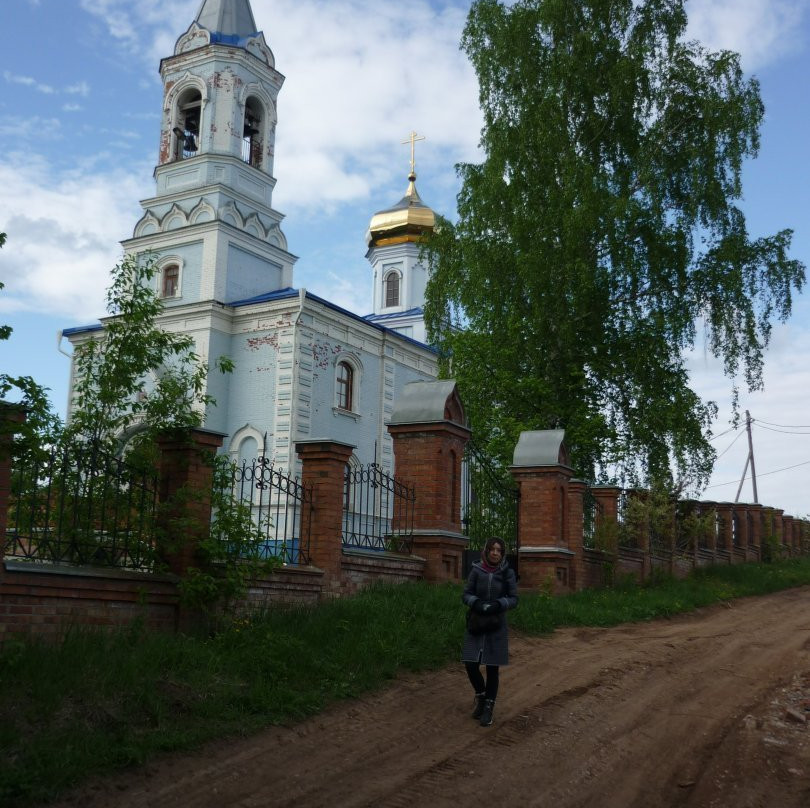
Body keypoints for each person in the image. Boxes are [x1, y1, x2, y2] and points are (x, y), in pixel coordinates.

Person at [461, 536, 518, 727]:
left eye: (499, 550)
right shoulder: (477, 570)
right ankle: (481, 695)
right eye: (492, 549)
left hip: (496, 624)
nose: (495, 553)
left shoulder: (507, 572)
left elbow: (514, 598)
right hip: (476, 623)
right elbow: (466, 594)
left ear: (502, 553)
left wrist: (498, 604)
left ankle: (488, 708)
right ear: (486, 551)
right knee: (470, 663)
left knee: (492, 668)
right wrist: (475, 602)